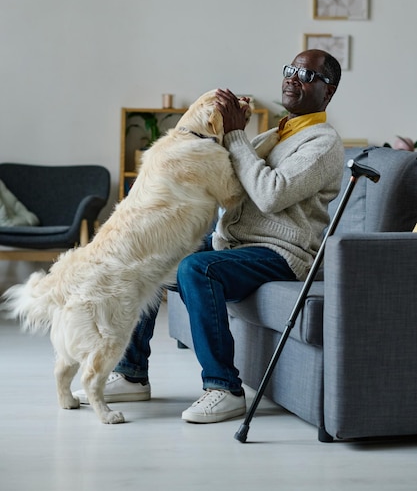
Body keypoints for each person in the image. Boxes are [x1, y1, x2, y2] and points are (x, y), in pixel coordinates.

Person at [74, 48, 344, 423]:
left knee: (199, 269)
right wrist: (223, 131)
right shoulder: (276, 135)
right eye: (290, 70)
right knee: (153, 256)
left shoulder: (323, 143)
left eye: (307, 75)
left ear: (328, 93)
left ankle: (224, 388)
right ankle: (132, 372)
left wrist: (234, 133)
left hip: (283, 253)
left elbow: (270, 194)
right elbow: (236, 177)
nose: (292, 78)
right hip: (239, 242)